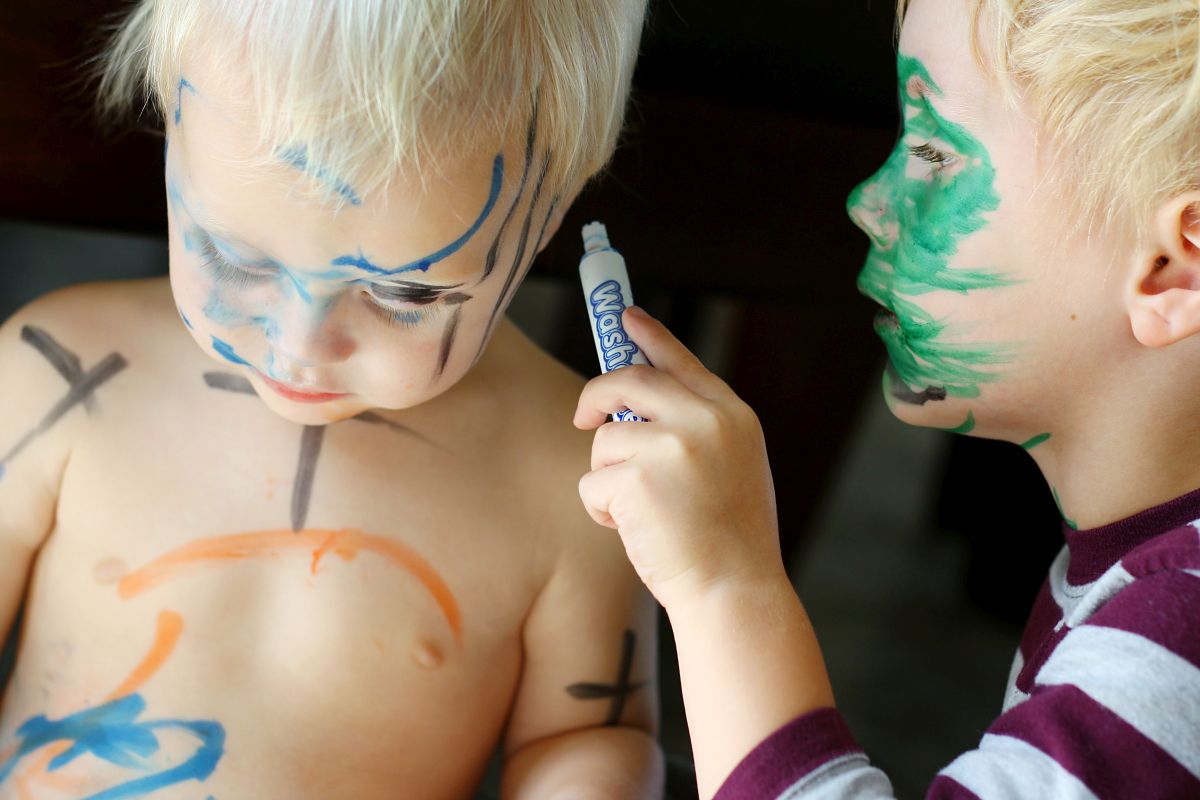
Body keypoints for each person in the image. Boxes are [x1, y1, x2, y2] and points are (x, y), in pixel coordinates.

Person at [0, 1, 663, 798]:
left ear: (553, 205)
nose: (299, 346)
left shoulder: (577, 481)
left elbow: (586, 738)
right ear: (171, 126)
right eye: (234, 255)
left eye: (403, 292)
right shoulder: (55, 378)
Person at [575, 0, 1200, 796]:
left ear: (1174, 267)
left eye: (935, 153)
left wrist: (728, 589)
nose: (867, 202)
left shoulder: (1180, 642)